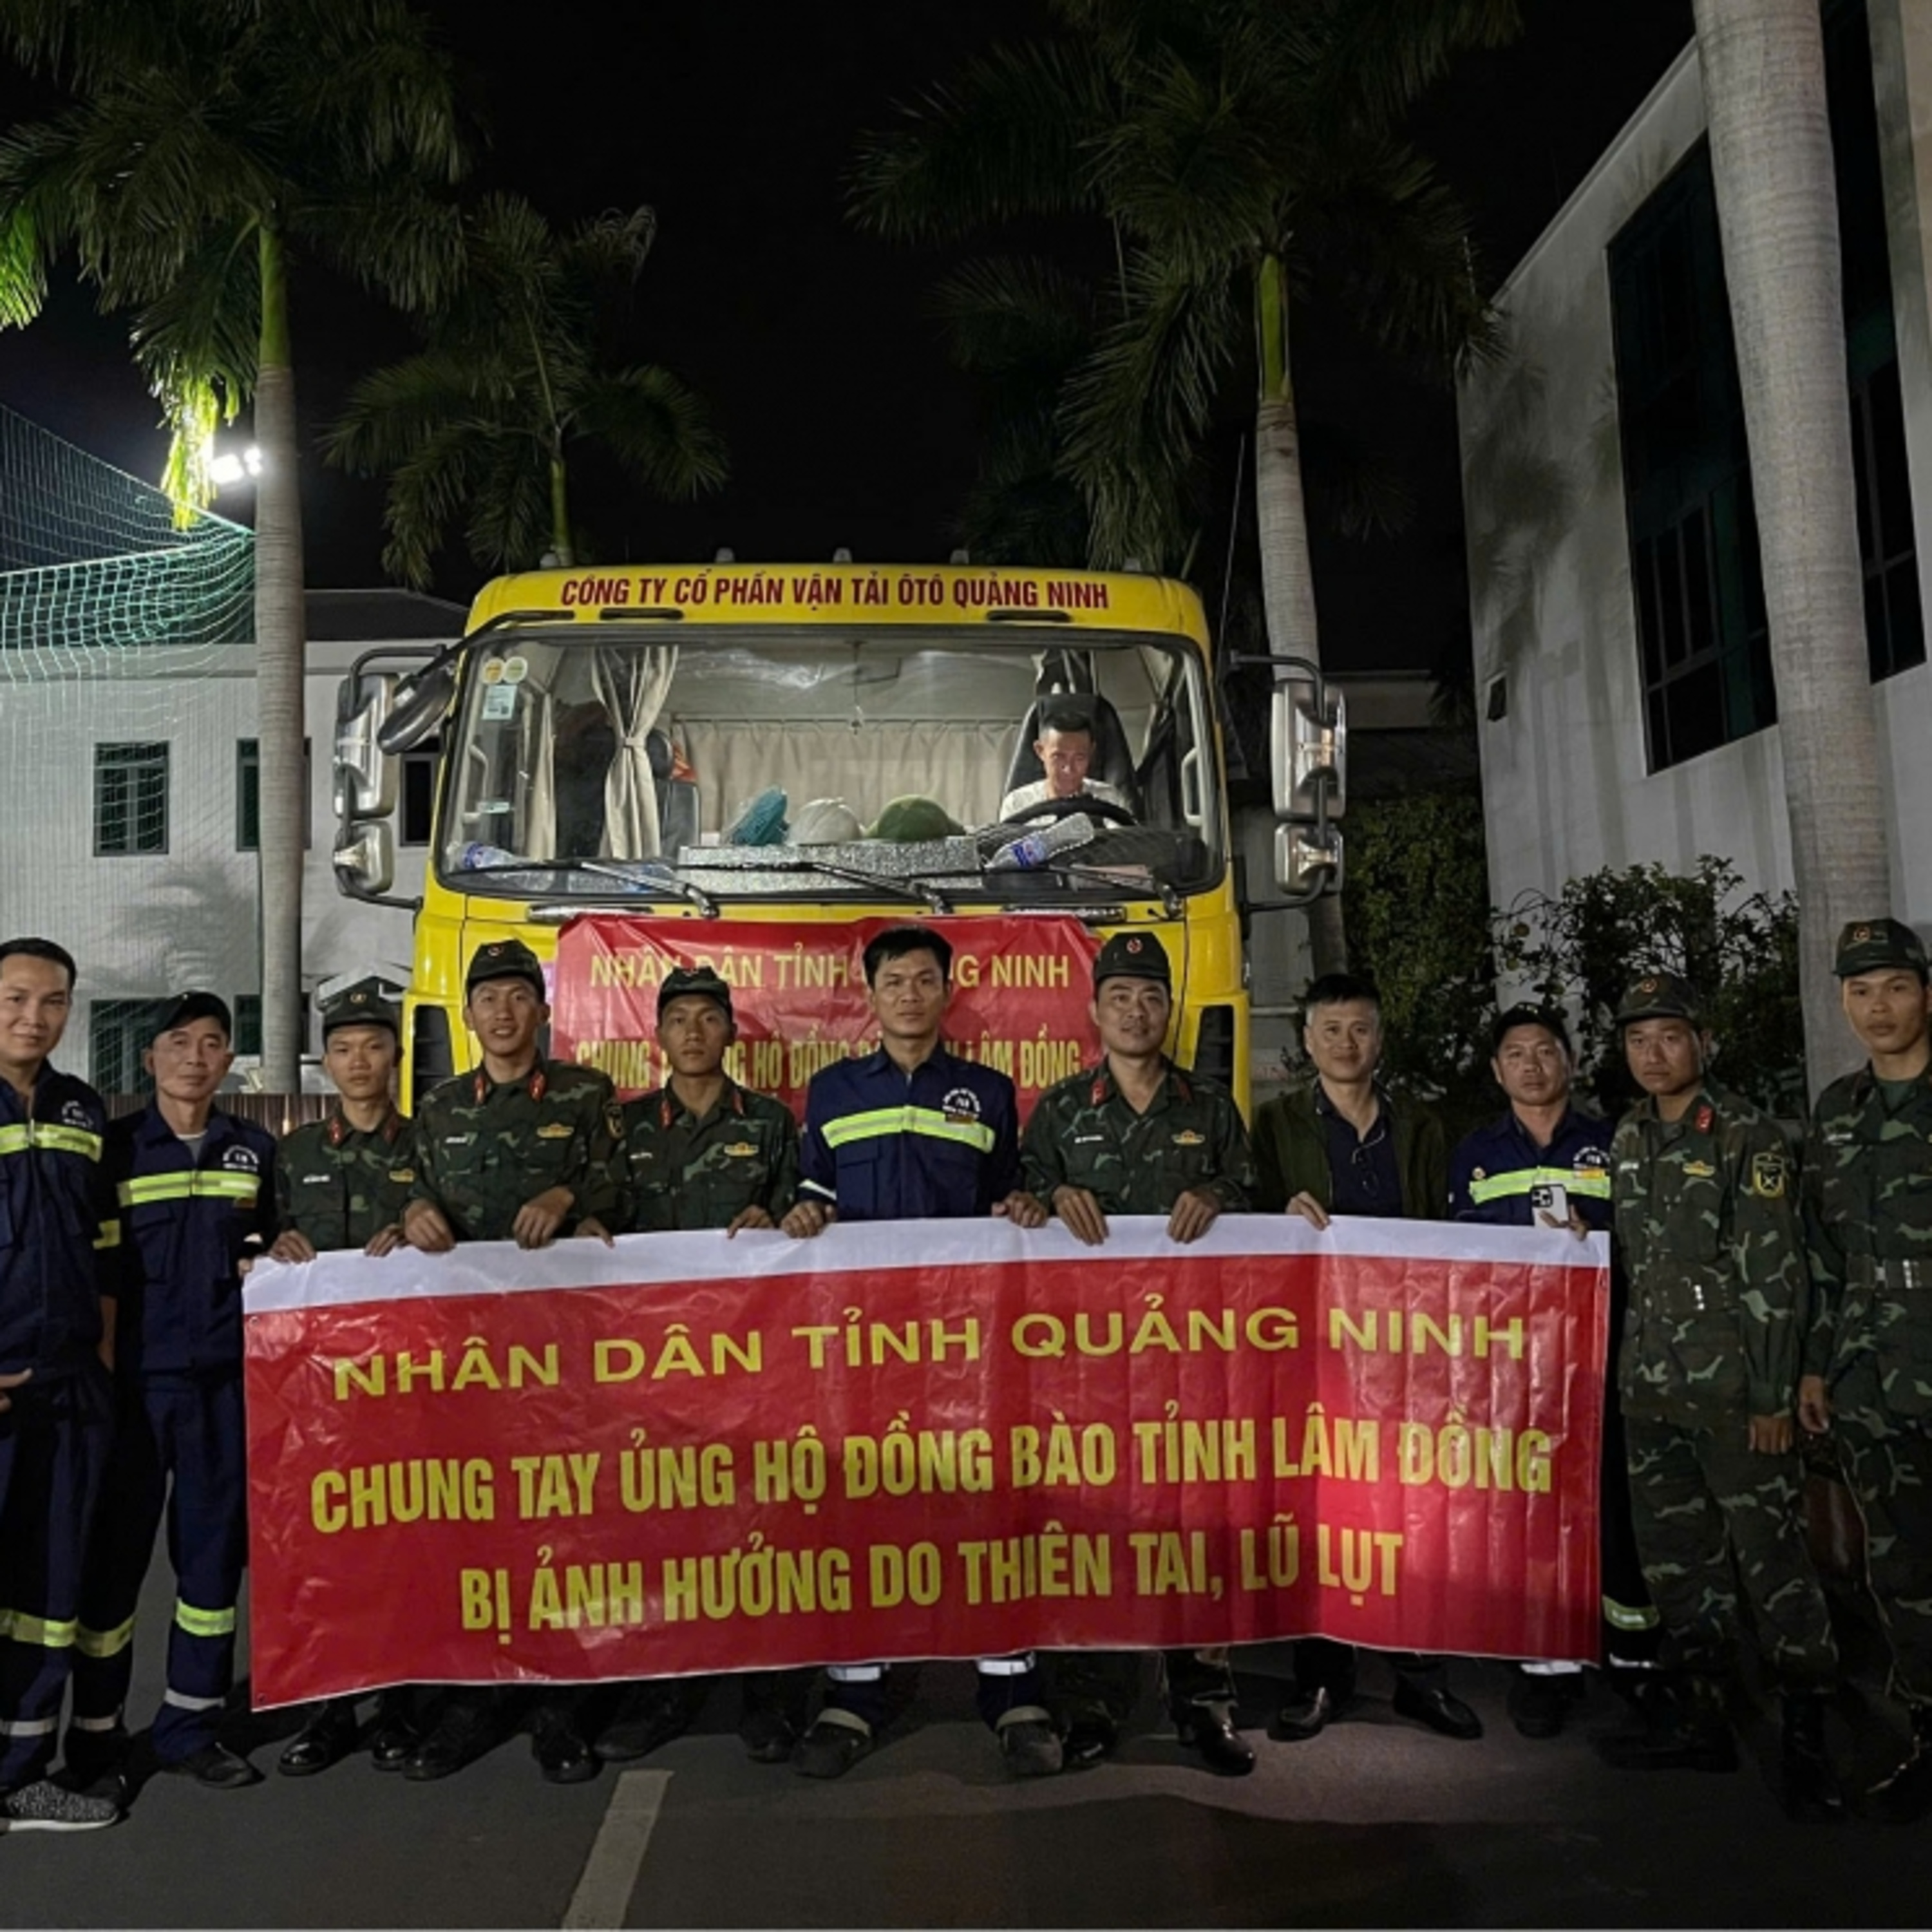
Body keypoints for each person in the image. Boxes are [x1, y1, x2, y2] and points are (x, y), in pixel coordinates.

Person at [778, 923, 1053, 1779]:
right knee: (859, 1503)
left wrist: (1025, 1209)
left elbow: (1009, 1196)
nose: (908, 994)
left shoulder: (988, 1092)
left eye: (924, 980)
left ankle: (1012, 1690)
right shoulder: (831, 1092)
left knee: (986, 1499)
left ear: (947, 992)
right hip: (860, 1344)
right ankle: (854, 1693)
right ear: (870, 995)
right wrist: (805, 1214)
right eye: (893, 981)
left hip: (966, 1342)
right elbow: (814, 1195)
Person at [1600, 971, 1841, 1817]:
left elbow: (1775, 1273)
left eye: (1669, 1036)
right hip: (1652, 1390)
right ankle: (1703, 1717)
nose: (1653, 1053)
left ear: (1703, 1042)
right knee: (1680, 1563)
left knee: (1773, 1563)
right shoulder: (1629, 1136)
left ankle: (1808, 1734)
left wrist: (1773, 1395)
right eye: (1638, 1039)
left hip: (1739, 1396)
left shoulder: (1745, 1133)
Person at [1022, 930, 1258, 1776]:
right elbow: (1020, 1197)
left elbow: (1254, 1197)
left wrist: (1217, 1193)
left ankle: (1205, 1703)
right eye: (1120, 997)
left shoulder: (1210, 1108)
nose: (1136, 1011)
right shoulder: (1060, 1111)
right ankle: (1090, 1702)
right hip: (1088, 1362)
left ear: (1169, 1010)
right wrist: (1051, 1194)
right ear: (1094, 1011)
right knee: (1092, 1523)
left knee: (1196, 1523)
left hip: (1192, 1356)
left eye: (1151, 996)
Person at [399, 938, 622, 1786]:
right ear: (467, 1015)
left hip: (564, 1355)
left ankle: (560, 1705)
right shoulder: (438, 1108)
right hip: (467, 1363)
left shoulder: (585, 1094)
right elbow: (408, 1184)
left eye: (519, 996)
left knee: (564, 1525)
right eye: (488, 998)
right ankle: (476, 1699)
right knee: (473, 1526)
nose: (503, 1012)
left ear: (543, 1011)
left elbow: (623, 1181)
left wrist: (571, 1195)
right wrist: (412, 1209)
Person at [579, 964, 813, 1767]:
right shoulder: (625, 1125)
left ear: (731, 1033)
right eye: (678, 1019)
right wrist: (584, 1228)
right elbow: (599, 1213)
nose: (693, 1032)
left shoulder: (771, 1124)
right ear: (657, 1035)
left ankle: (769, 1693)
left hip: (753, 1365)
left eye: (708, 1018)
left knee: (764, 1522)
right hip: (657, 1369)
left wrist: (779, 1219)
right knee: (663, 1527)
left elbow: (803, 1217)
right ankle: (665, 1691)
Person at [1251, 974, 1479, 1743]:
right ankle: (1322, 1678)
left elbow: (1449, 1230)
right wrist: (1278, 1214)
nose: (1346, 1044)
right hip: (1315, 1350)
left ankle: (1421, 1677)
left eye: (1360, 1029)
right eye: (1331, 1030)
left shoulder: (1421, 1125)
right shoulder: (1276, 1124)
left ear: (1380, 1040)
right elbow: (1248, 1225)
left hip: (1408, 1348)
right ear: (1306, 1041)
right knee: (1322, 1511)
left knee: (1413, 1510)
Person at [69, 992, 278, 1792]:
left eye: (213, 1043)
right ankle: (96, 1737)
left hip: (222, 1392)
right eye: (179, 1042)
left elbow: (278, 1248)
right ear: (149, 1058)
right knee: (112, 1568)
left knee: (211, 1568)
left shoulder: (254, 1151)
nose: (195, 1057)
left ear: (229, 1061)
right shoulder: (114, 1153)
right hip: (131, 1394)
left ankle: (191, 1726)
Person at [1448, 1004, 1658, 1738]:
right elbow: (1457, 1259)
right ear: (1496, 1069)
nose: (1531, 1065)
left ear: (1568, 1060)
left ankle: (1635, 1657)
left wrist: (1595, 1239)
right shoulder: (1474, 1154)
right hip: (1515, 1369)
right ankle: (1546, 1666)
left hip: (1605, 1355)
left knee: (1617, 1507)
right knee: (1530, 1507)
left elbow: (1650, 1241)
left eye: (1544, 1050)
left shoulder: (1615, 1142)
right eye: (1516, 1054)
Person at [267, 977, 421, 1779]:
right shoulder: (294, 1156)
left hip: (410, 1388)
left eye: (374, 1046)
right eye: (343, 1049)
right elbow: (260, 1248)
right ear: (325, 1062)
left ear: (396, 1056)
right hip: (318, 1395)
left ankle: (402, 1705)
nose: (359, 1061)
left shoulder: (430, 1146)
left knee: (404, 1548)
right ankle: (328, 1711)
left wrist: (429, 1232)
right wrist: (275, 1249)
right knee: (323, 1554)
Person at [1799, 919, 1932, 1821]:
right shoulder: (1839, 1109)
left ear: (1926, 993)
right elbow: (1821, 1252)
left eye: (1894, 986)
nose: (1877, 1008)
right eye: (1859, 991)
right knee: (1903, 1567)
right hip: (1871, 1371)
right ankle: (1928, 1731)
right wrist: (1815, 1368)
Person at [0, 938, 120, 1831]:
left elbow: (104, 1246)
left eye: (52, 1002)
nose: (33, 1018)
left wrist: (102, 1360)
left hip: (71, 1388)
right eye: (14, 998)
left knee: (47, 1593)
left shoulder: (83, 1106)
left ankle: (19, 1775)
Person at [996, 700, 1133, 820]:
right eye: (1058, 757)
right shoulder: (1017, 805)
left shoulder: (1111, 800)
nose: (1069, 769)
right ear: (1040, 751)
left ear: (1091, 752)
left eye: (1079, 758)